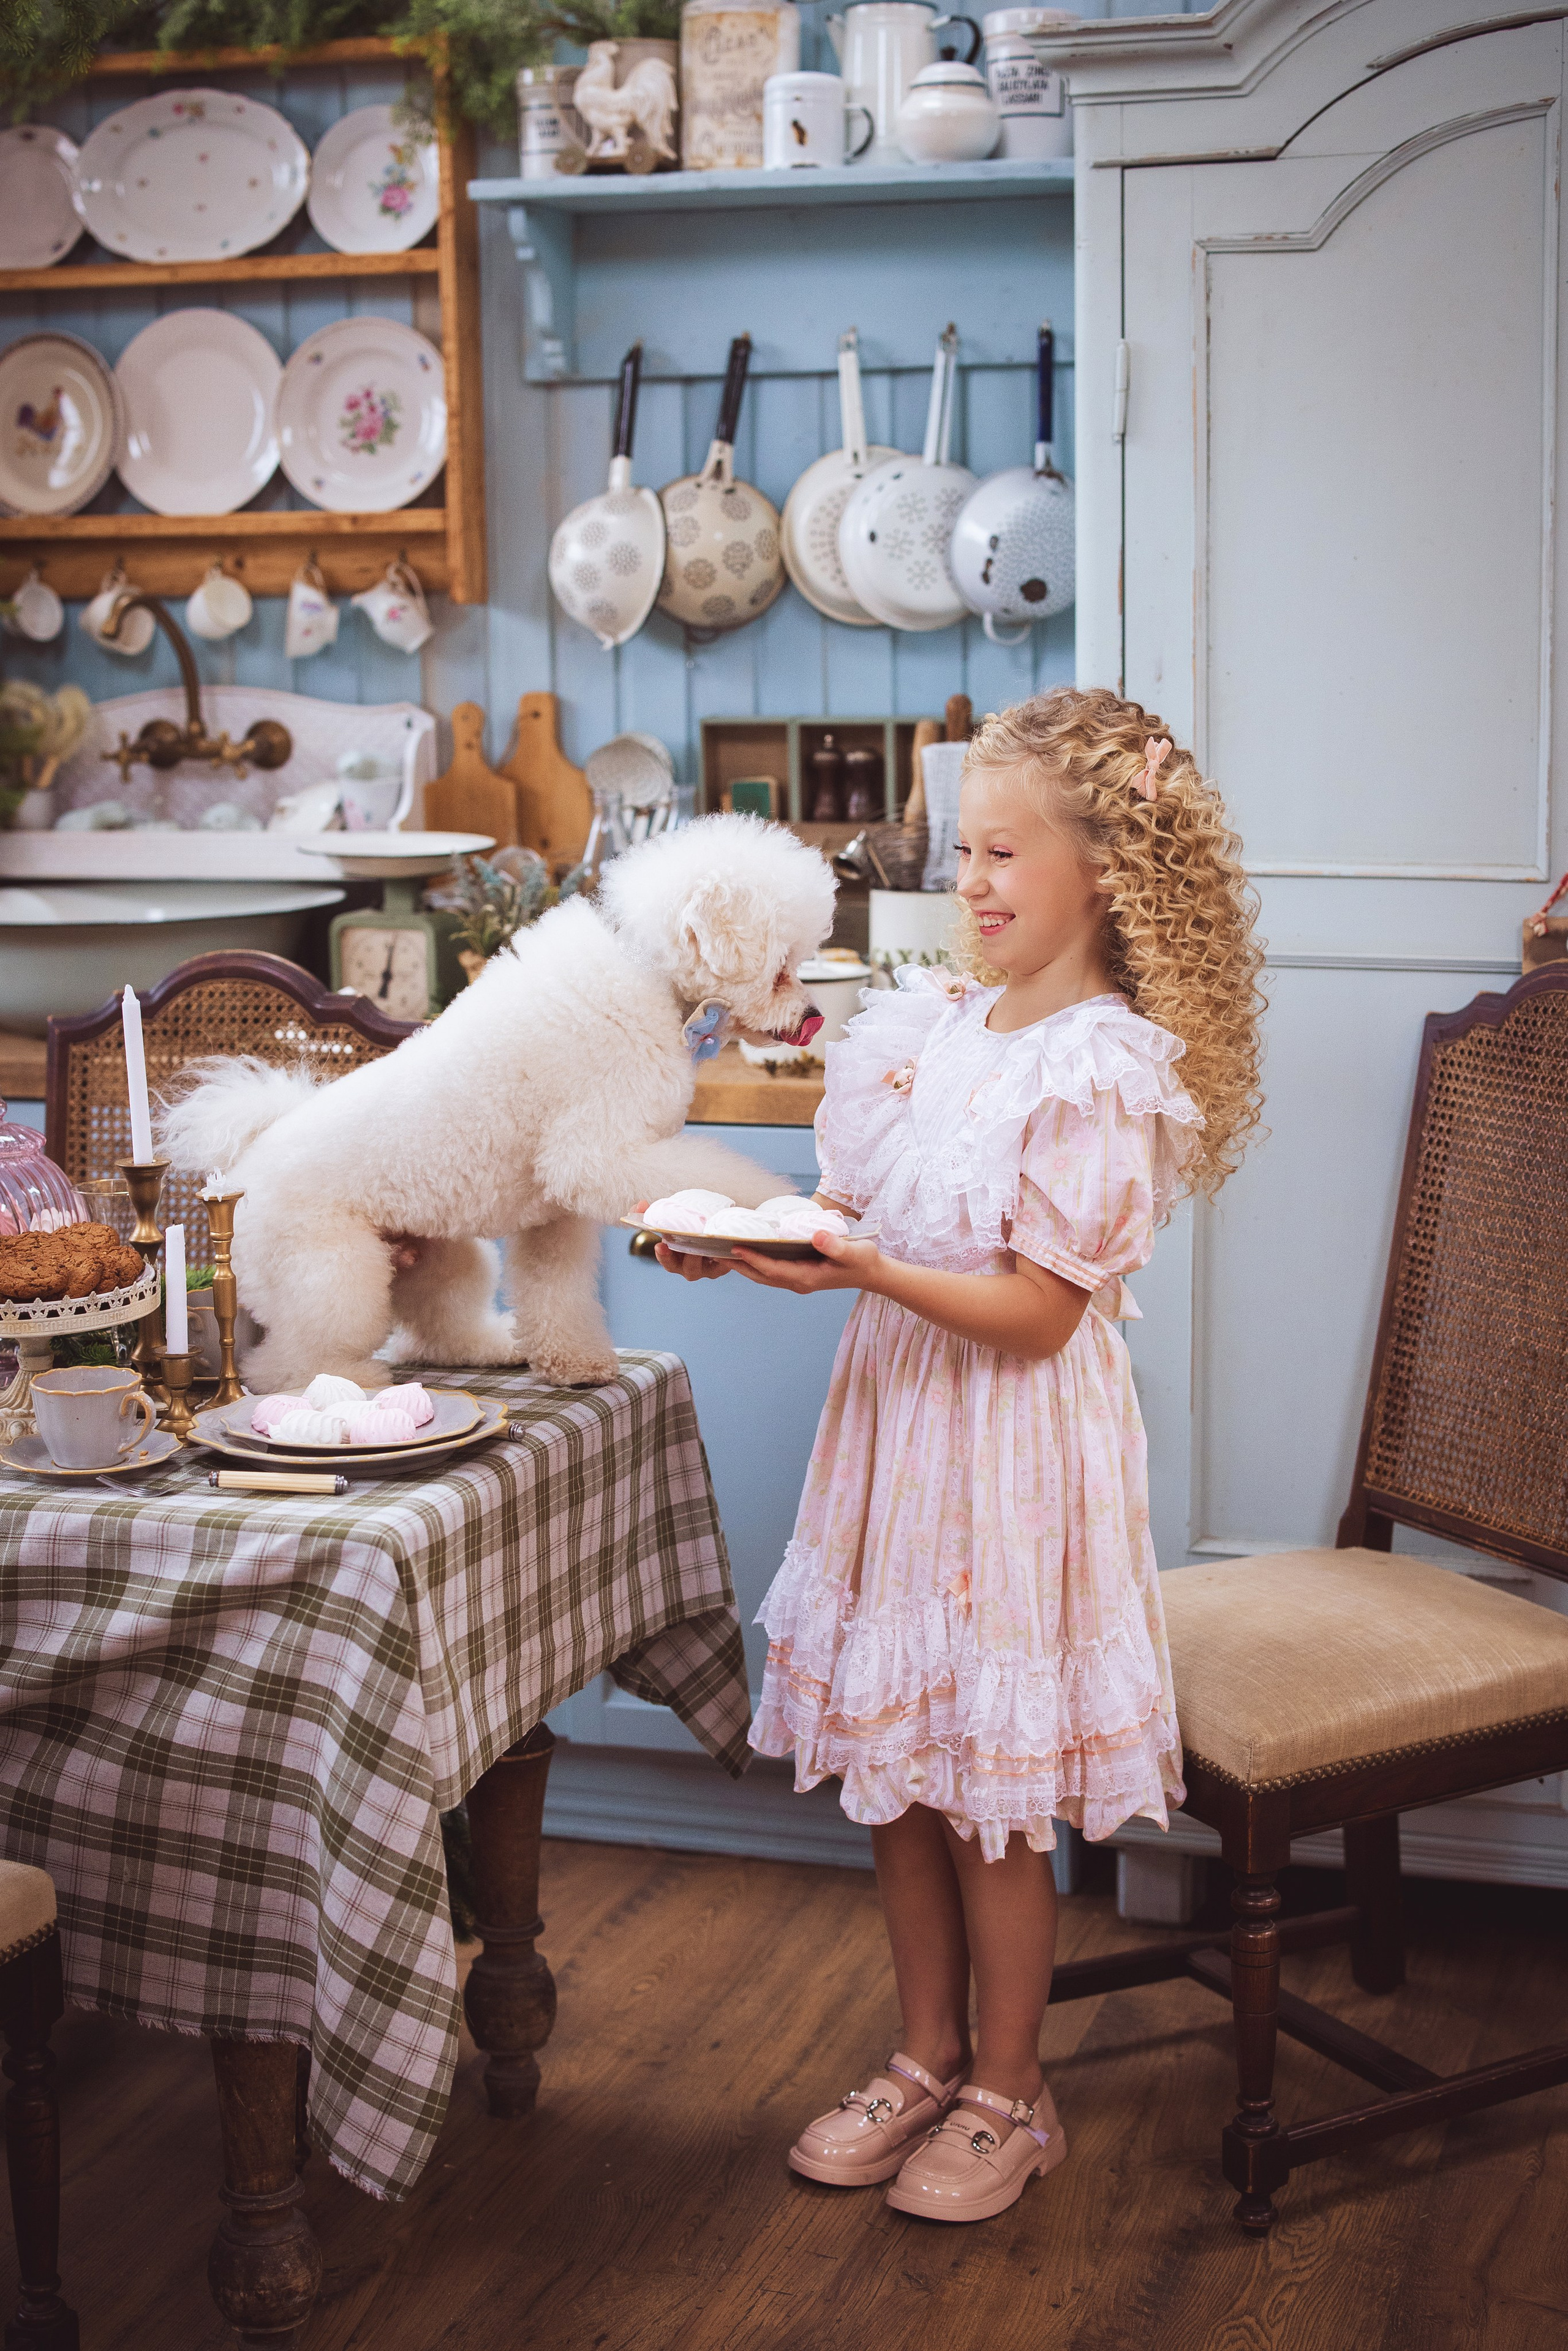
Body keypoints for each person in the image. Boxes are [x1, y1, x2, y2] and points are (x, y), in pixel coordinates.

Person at [656, 687, 1264, 2224]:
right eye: (962, 851)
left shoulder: (1098, 1067)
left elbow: (1038, 1312)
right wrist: (776, 1248)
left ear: (1103, 871)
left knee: (982, 1787)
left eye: (1002, 852)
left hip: (1006, 1451)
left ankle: (1010, 2087)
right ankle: (923, 2053)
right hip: (896, 1431)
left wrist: (864, 1269)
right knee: (895, 1770)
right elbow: (882, 1230)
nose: (970, 881)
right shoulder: (932, 1026)